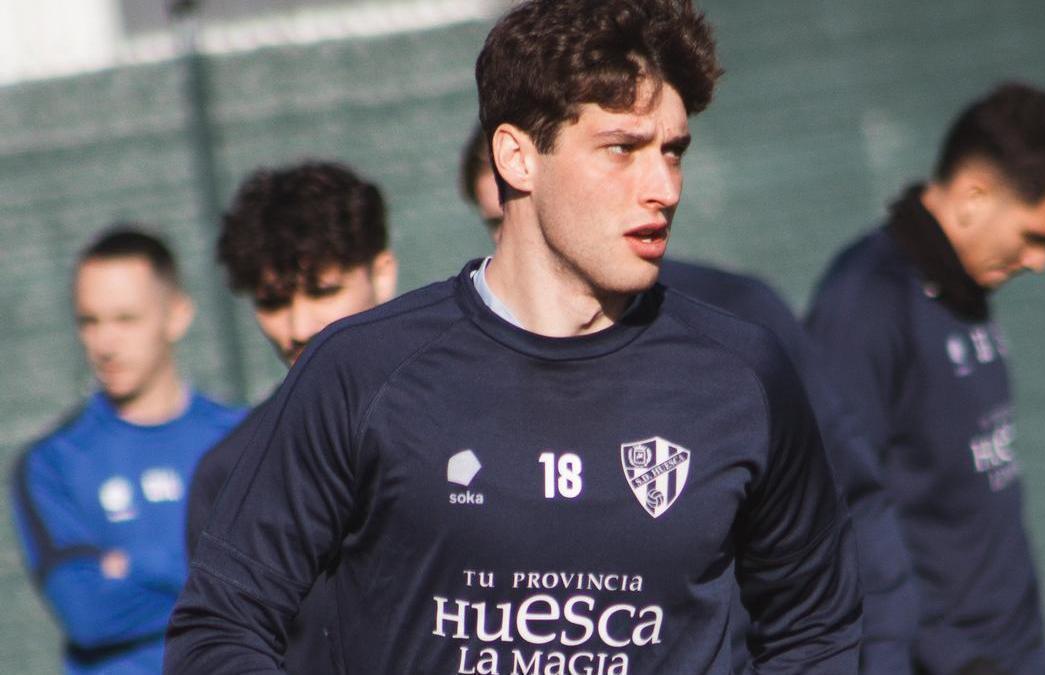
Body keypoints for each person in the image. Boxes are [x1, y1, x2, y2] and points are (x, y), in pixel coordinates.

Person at [166, 1, 861, 673]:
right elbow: (223, 622)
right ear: (517, 159)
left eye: (672, 152)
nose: (664, 187)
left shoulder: (742, 374)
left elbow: (816, 628)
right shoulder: (363, 371)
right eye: (622, 149)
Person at [462, 122, 920, 673]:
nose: (515, 231)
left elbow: (855, 503)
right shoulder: (460, 369)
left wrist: (886, 660)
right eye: (497, 218)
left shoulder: (741, 326)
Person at [805, 82, 1045, 675]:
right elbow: (836, 518)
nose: (1040, 261)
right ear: (973, 196)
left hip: (1021, 654)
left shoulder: (965, 290)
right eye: (1033, 237)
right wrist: (951, 658)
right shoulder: (865, 305)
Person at [183, 160, 397, 673]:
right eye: (273, 302)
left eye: (323, 291)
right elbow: (223, 640)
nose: (299, 325)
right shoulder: (229, 474)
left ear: (381, 275)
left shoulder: (470, 413)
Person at [9, 227, 244, 674]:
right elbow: (87, 614)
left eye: (126, 319)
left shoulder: (241, 437)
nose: (105, 344)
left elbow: (287, 587)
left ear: (176, 316)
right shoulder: (52, 463)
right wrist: (212, 570)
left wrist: (131, 563)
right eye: (89, 321)